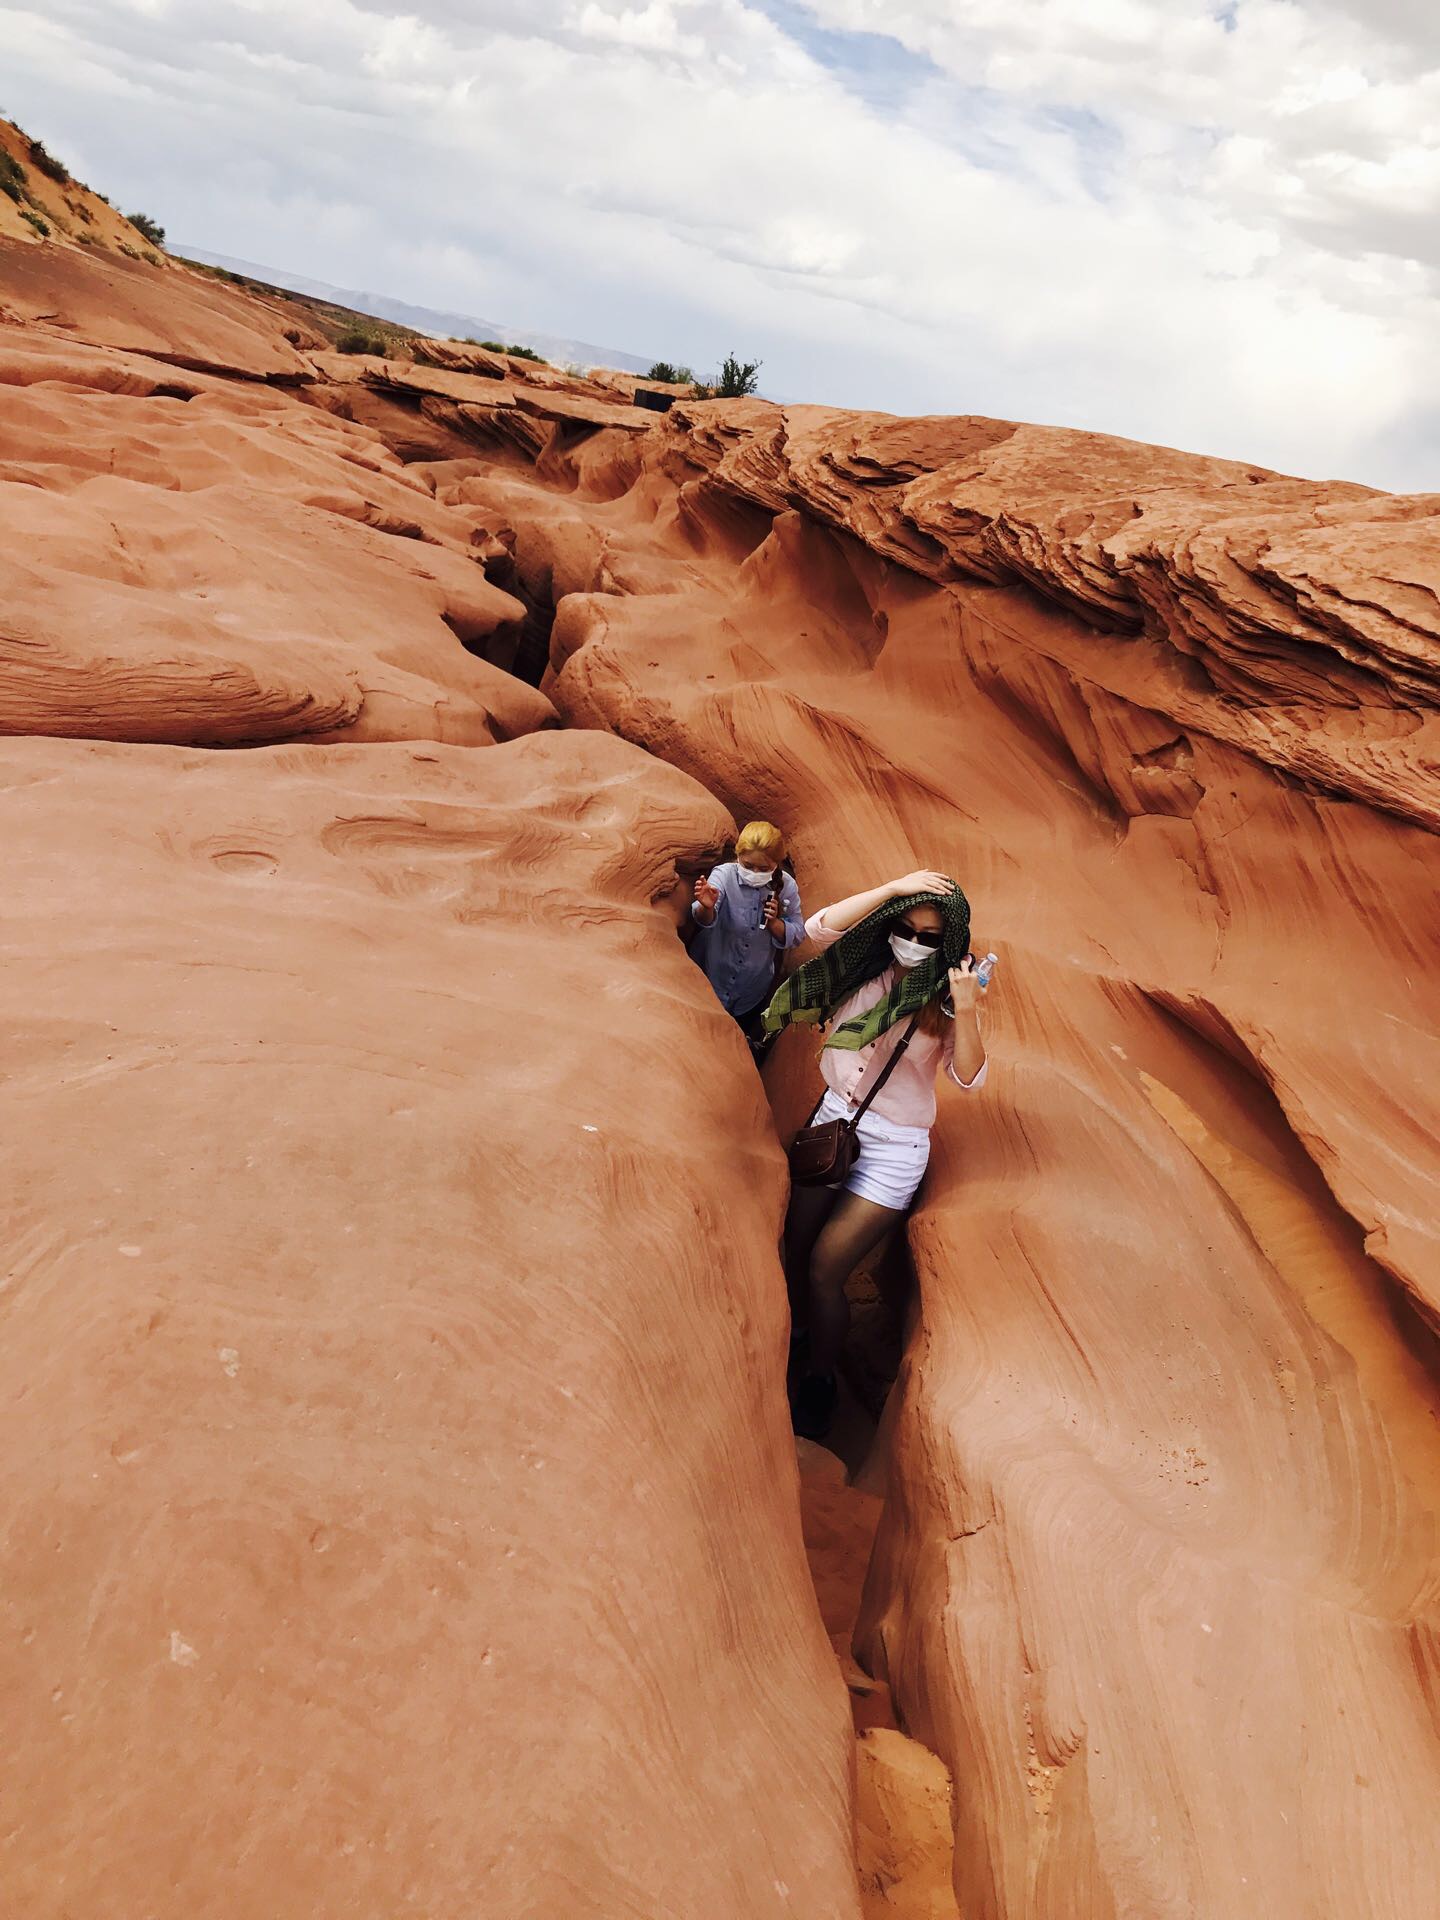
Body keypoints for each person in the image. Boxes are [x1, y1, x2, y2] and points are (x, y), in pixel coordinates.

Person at [763, 869, 988, 1439]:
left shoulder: (945, 998)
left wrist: (969, 1008)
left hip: (895, 1151)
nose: (915, 942)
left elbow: (969, 1078)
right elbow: (815, 929)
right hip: (834, 1122)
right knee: (795, 1243)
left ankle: (819, 1377)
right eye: (906, 929)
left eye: (932, 937)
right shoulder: (863, 967)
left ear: (952, 943)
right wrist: (894, 889)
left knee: (824, 1269)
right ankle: (797, 1335)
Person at [691, 821, 805, 1057]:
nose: (755, 873)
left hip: (749, 991)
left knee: (726, 1047)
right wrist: (707, 907)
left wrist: (775, 924)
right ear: (738, 856)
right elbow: (703, 919)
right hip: (710, 977)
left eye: (764, 868)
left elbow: (798, 933)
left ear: (776, 864)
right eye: (748, 865)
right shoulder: (724, 875)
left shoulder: (787, 887)